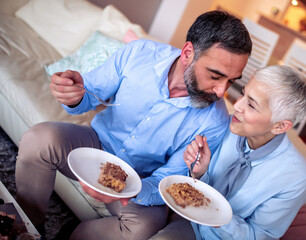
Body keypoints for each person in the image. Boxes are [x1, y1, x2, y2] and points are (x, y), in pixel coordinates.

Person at [15, 11, 252, 240]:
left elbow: (170, 177)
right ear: (188, 53)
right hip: (96, 144)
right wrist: (73, 94)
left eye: (231, 81)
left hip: (141, 177)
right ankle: (26, 227)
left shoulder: (217, 121)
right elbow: (89, 93)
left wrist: (126, 188)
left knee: (143, 228)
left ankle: (70, 235)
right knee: (39, 139)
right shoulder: (139, 53)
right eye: (215, 75)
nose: (222, 91)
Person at [151, 65, 306, 240]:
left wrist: (218, 215)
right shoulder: (221, 125)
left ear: (280, 126)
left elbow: (258, 235)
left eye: (251, 105)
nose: (236, 105)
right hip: (185, 222)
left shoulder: (295, 179)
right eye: (243, 93)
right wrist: (199, 173)